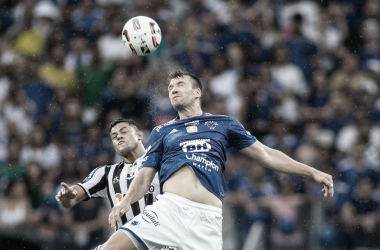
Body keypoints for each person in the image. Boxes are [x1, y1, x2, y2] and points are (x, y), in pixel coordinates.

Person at [102, 71, 334, 250]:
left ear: (197, 92)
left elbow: (266, 154)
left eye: (180, 84)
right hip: (169, 210)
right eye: (170, 87)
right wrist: (125, 203)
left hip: (206, 219)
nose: (173, 89)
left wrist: (312, 172)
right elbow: (144, 176)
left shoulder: (225, 124)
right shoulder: (162, 131)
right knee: (113, 246)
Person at [55, 118, 160, 241]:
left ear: (139, 135)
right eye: (114, 136)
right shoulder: (106, 173)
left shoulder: (162, 161)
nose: (118, 137)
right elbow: (73, 198)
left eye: (124, 132)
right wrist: (68, 197)